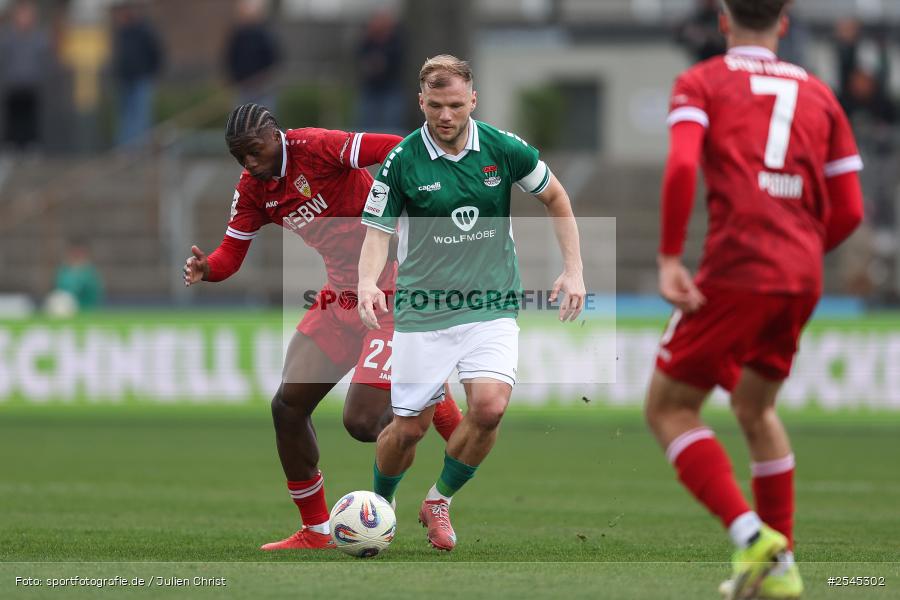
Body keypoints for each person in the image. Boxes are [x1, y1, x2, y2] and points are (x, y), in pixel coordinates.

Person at [645, 1, 864, 598]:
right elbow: (849, 210)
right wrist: (798, 251)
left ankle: (752, 537)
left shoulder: (702, 80)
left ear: (723, 19)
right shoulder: (821, 94)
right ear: (784, 24)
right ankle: (782, 570)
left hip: (740, 265)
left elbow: (683, 163)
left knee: (668, 409)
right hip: (801, 275)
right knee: (755, 409)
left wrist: (669, 258)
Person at [183, 103, 463, 550]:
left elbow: (392, 147)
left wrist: (425, 188)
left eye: (254, 151)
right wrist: (207, 268)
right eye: (240, 157)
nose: (250, 163)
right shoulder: (253, 188)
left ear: (275, 134)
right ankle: (315, 531)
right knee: (287, 406)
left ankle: (430, 394)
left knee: (362, 422)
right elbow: (230, 254)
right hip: (339, 297)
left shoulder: (315, 146)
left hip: (394, 293)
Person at [357, 55, 585, 551]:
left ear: (473, 100)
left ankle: (439, 500)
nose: (445, 116)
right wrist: (368, 282)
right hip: (423, 310)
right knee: (410, 429)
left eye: (456, 105)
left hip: (491, 304)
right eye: (435, 105)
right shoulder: (403, 159)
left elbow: (557, 198)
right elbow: (377, 230)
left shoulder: (503, 150)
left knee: (489, 409)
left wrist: (574, 270)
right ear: (421, 102)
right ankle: (380, 508)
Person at [110, 1, 163, 147]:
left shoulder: (144, 30)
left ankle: (139, 147)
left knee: (141, 114)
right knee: (125, 116)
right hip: (125, 79)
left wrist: (151, 72)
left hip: (141, 78)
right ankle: (126, 148)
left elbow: (156, 53)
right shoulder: (121, 32)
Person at [0, 0, 51, 151]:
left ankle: (31, 144)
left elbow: (44, 58)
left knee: (31, 116)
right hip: (13, 82)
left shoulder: (39, 36)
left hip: (32, 82)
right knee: (13, 116)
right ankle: (11, 143)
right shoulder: (8, 35)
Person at [224, 0, 281, 108]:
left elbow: (274, 59)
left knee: (264, 118)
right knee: (242, 120)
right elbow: (230, 58)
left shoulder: (265, 35)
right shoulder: (237, 36)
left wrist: (263, 78)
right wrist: (234, 79)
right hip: (242, 87)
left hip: (263, 88)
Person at [54, 240, 104, 311]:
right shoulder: (63, 270)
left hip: (86, 309)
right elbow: (59, 289)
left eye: (80, 253)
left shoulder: (90, 273)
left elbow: (94, 293)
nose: (77, 256)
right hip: (66, 308)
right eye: (74, 253)